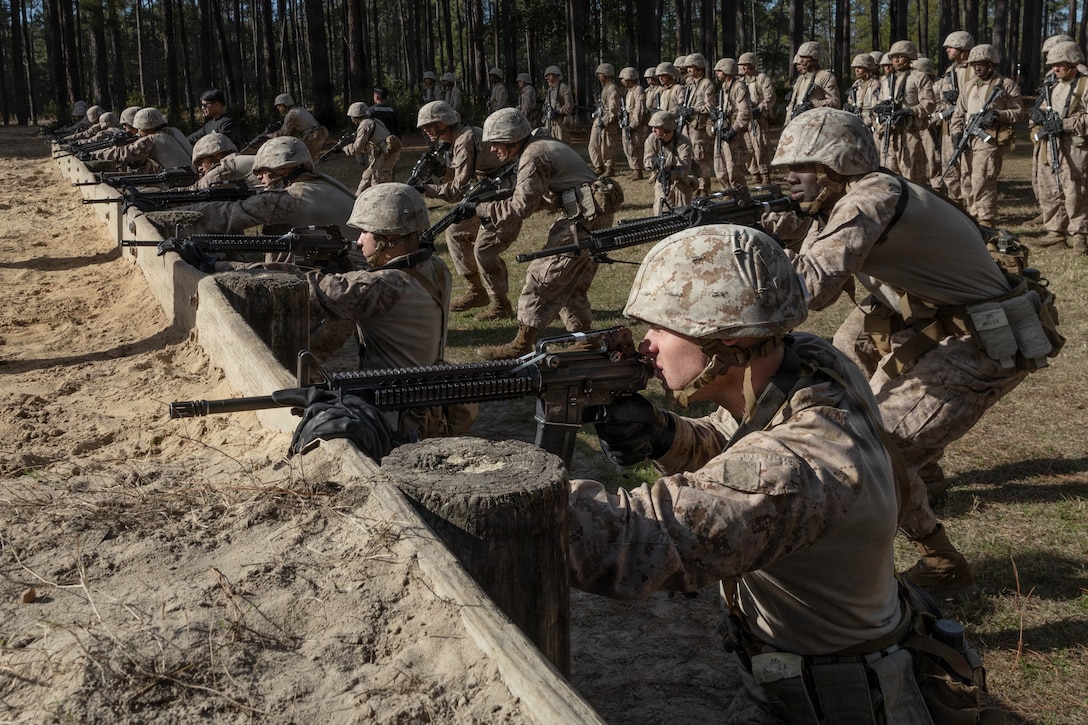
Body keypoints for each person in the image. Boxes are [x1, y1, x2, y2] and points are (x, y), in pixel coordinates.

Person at [565, 224, 941, 723]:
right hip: (813, 666)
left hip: (834, 699)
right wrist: (664, 436)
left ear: (728, 339)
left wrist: (511, 498)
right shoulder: (809, 362)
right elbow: (737, 440)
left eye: (661, 326)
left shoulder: (798, 467)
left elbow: (637, 542)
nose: (646, 344)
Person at [766, 107, 1063, 600]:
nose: (789, 180)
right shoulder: (858, 193)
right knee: (843, 352)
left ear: (836, 164)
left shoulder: (868, 200)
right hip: (933, 321)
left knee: (878, 454)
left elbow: (809, 289)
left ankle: (941, 559)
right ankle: (924, 469)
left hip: (980, 342)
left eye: (801, 167)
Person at [469, 108, 623, 360]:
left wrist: (481, 209)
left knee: (543, 276)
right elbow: (544, 197)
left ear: (512, 138)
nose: (493, 150)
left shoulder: (533, 155)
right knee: (570, 281)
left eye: (496, 143)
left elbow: (521, 207)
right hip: (594, 215)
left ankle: (521, 344)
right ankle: (585, 340)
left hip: (583, 218)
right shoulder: (542, 144)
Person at [414, 100, 521, 320]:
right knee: (455, 232)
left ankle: (501, 305)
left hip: (504, 197)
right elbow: (461, 173)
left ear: (444, 123)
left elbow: (457, 190)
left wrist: (426, 190)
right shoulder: (461, 137)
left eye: (429, 125)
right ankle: (477, 291)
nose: (426, 130)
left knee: (485, 249)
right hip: (489, 192)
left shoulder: (464, 140)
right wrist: (443, 171)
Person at [177, 136, 355, 237]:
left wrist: (176, 215)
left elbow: (230, 215)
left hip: (352, 271)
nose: (259, 178)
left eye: (262, 172)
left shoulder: (291, 197)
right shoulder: (324, 181)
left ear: (282, 168)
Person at [949, 44, 1023, 228]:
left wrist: (999, 114)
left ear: (991, 64)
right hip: (968, 137)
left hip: (989, 138)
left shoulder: (1005, 84)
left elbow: (1019, 112)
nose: (977, 68)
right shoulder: (969, 85)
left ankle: (986, 219)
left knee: (982, 178)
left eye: (981, 64)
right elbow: (959, 112)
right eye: (974, 65)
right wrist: (956, 133)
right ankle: (972, 214)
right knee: (966, 177)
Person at [1028, 40, 1088, 254]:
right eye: (1052, 65)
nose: (1055, 68)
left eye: (1059, 64)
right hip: (1051, 143)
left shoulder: (1085, 85)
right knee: (1050, 188)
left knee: (1075, 190)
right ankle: (1055, 233)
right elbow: (1045, 108)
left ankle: (1079, 235)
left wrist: (1066, 124)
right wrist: (1038, 115)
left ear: (1073, 62)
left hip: (1076, 147)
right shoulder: (1052, 86)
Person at [874, 40, 935, 184]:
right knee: (889, 173)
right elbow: (879, 102)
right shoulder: (886, 80)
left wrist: (909, 111)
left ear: (909, 57)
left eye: (900, 56)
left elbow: (929, 104)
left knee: (911, 173)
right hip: (890, 132)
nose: (895, 60)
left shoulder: (919, 77)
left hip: (911, 132)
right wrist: (879, 109)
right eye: (893, 56)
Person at [933, 31, 976, 204]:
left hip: (968, 123)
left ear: (962, 48)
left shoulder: (975, 69)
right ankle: (955, 199)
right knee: (949, 163)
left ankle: (971, 202)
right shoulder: (950, 71)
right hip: (948, 124)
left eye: (951, 47)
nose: (947, 51)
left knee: (968, 166)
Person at [91, 107, 193, 171]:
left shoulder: (152, 139)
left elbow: (124, 153)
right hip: (193, 174)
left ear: (146, 127)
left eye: (140, 129)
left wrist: (96, 154)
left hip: (181, 181)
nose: (139, 132)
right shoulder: (174, 130)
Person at [342, 100, 402, 196]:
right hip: (384, 154)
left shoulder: (364, 125)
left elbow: (357, 148)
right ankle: (356, 200)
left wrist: (344, 149)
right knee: (367, 177)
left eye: (352, 117)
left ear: (357, 116)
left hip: (385, 155)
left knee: (378, 184)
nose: (351, 119)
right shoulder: (374, 121)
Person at [712, 58, 751, 191]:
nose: (717, 73)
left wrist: (734, 130)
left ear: (727, 71)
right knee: (720, 170)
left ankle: (740, 198)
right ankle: (728, 195)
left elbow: (744, 112)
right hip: (723, 131)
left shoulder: (738, 86)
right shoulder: (725, 87)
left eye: (719, 70)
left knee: (734, 169)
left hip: (734, 134)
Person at [643, 110, 693, 215]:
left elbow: (685, 169)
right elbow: (646, 162)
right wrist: (653, 162)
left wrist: (671, 174)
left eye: (656, 127)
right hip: (662, 184)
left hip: (681, 185)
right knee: (661, 215)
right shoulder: (652, 139)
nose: (653, 130)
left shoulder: (683, 143)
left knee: (684, 216)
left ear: (666, 128)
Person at [738, 52, 776, 185]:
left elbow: (769, 97)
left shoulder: (762, 78)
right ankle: (755, 173)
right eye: (741, 65)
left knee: (760, 146)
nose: (743, 68)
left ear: (752, 65)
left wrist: (759, 109)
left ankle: (765, 174)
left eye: (745, 65)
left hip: (759, 119)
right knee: (747, 147)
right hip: (745, 119)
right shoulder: (740, 81)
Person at [683, 53, 717, 194]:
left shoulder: (707, 84)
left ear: (699, 68)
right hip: (688, 124)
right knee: (689, 156)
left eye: (691, 67)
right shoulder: (690, 84)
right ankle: (695, 184)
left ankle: (705, 187)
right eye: (688, 67)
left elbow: (710, 106)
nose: (689, 70)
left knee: (701, 156)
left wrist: (693, 109)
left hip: (700, 126)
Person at [784, 41, 839, 123]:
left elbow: (835, 102)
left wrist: (812, 105)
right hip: (798, 122)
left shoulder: (825, 76)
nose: (801, 60)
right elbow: (792, 103)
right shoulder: (801, 79)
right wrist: (787, 123)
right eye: (800, 57)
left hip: (816, 123)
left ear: (814, 58)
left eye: (805, 57)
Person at [267, 93, 328, 161]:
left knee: (295, 160)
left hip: (311, 138)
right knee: (309, 161)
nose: (277, 108)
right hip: (319, 135)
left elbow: (284, 133)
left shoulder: (291, 115)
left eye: (279, 105)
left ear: (285, 104)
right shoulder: (300, 109)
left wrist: (269, 136)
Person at [189, 132, 259, 190]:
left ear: (217, 155)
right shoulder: (237, 160)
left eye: (201, 163)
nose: (199, 168)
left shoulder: (228, 164)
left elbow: (198, 188)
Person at [588, 63, 621, 177]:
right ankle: (599, 166)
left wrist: (607, 121)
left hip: (608, 120)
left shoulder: (612, 88)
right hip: (600, 118)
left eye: (600, 74)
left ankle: (609, 168)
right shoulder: (604, 88)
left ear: (606, 74)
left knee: (607, 145)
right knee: (594, 144)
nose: (598, 76)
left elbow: (614, 108)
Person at [618, 66, 649, 180]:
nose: (622, 81)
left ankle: (638, 170)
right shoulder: (629, 91)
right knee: (628, 146)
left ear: (629, 78)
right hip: (628, 121)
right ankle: (633, 168)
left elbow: (639, 109)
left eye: (623, 79)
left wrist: (634, 124)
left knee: (635, 146)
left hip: (635, 124)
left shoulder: (638, 90)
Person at [541, 65, 575, 142]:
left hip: (561, 121)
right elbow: (546, 103)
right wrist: (545, 109)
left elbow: (569, 105)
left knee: (562, 143)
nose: (547, 78)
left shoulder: (563, 88)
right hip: (550, 121)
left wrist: (558, 111)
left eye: (549, 75)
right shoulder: (550, 90)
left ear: (556, 75)